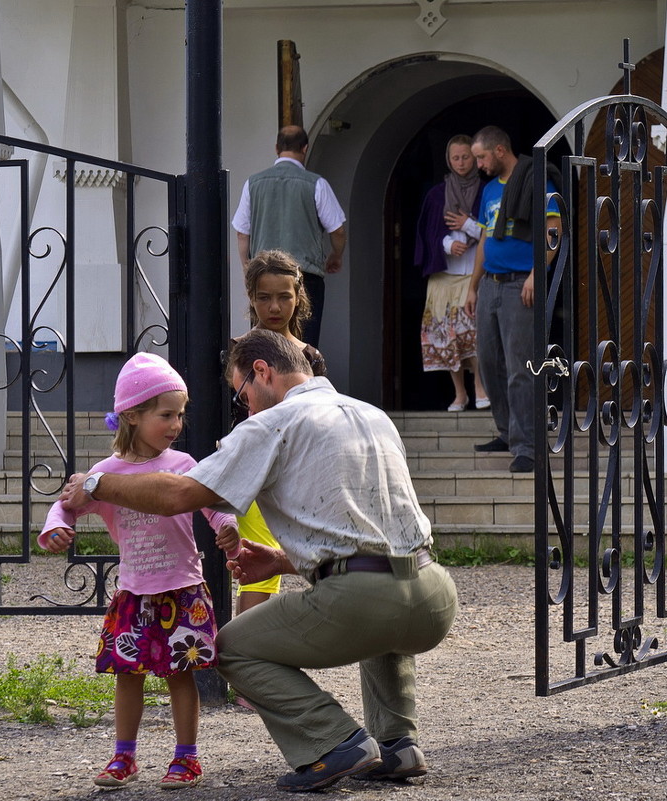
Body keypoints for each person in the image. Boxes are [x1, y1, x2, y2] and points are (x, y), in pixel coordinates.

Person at [59, 330, 458, 793]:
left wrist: (95, 485)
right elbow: (373, 538)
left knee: (225, 647)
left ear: (262, 372)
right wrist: (282, 563)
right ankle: (398, 745)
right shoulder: (371, 414)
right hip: (433, 595)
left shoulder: (273, 423)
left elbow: (179, 495)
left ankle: (335, 742)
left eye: (242, 393)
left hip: (365, 599)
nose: (245, 406)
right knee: (384, 615)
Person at [39, 352, 238, 791]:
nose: (176, 424)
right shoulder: (105, 474)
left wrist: (227, 529)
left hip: (183, 588)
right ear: (132, 414)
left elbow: (214, 504)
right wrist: (56, 526)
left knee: (180, 675)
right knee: (127, 677)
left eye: (180, 415)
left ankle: (186, 759)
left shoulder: (183, 466)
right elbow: (67, 502)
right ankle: (123, 757)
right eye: (166, 414)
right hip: (134, 593)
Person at [229, 250, 326, 618]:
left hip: (294, 468)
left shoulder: (309, 358)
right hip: (248, 463)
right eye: (265, 297)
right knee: (255, 557)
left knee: (306, 552)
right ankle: (244, 656)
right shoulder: (236, 350)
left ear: (298, 297)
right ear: (251, 298)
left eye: (284, 296)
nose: (275, 306)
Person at [465, 126, 562, 473]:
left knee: (522, 367)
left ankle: (527, 446)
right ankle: (507, 433)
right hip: (490, 283)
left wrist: (538, 273)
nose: (478, 164)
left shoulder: (537, 182)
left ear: (501, 150)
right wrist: (473, 285)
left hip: (521, 283)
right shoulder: (490, 189)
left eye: (481, 157)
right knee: (489, 363)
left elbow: (553, 231)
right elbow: (485, 239)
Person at [231, 125, 347, 347]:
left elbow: (242, 233)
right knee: (303, 345)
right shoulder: (317, 184)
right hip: (303, 277)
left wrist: (248, 267)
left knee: (264, 345)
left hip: (264, 276)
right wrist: (335, 255)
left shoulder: (253, 183)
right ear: (305, 148)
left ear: (277, 148)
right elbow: (338, 230)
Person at [414, 135, 489, 412]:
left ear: (475, 159)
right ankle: (460, 394)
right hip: (444, 276)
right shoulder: (436, 194)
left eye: (465, 157)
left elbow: (492, 230)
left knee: (474, 334)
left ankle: (480, 387)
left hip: (473, 274)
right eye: (455, 158)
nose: (460, 163)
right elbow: (427, 232)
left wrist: (467, 225)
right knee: (447, 335)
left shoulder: (486, 191)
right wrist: (447, 243)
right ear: (448, 159)